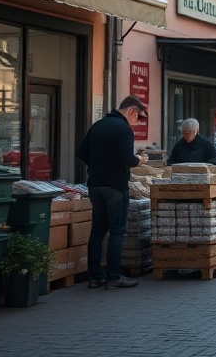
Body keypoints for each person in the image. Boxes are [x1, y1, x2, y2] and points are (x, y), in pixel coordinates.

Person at [76, 95, 149, 290]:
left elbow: (81, 152)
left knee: (98, 230)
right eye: (137, 117)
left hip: (95, 185)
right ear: (132, 111)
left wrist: (98, 165)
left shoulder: (98, 125)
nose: (136, 122)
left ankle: (94, 277)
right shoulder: (123, 129)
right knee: (117, 230)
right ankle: (113, 277)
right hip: (115, 186)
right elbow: (127, 159)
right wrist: (140, 160)